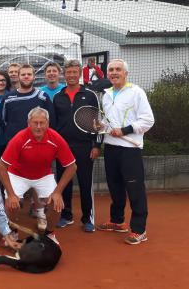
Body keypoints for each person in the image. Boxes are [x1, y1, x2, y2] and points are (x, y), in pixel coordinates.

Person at [0, 107, 77, 239]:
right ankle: (12, 232)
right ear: (28, 123)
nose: (38, 127)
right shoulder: (19, 138)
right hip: (18, 175)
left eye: (42, 123)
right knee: (12, 203)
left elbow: (72, 167)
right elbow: (1, 166)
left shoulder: (55, 138)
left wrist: (57, 192)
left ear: (48, 123)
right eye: (35, 123)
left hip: (43, 175)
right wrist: (11, 194)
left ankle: (49, 233)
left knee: (56, 204)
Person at [97, 59, 154, 245]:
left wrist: (124, 130)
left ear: (125, 73)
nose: (114, 72)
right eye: (111, 70)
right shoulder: (106, 95)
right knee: (115, 187)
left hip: (130, 149)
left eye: (118, 69)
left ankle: (139, 230)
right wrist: (100, 126)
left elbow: (148, 120)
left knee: (134, 189)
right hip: (111, 147)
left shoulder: (136, 92)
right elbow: (107, 122)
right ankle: (117, 221)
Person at [53, 60, 101, 232]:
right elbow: (54, 124)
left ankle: (87, 218)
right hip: (63, 148)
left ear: (79, 73)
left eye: (74, 72)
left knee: (85, 182)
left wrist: (96, 145)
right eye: (68, 72)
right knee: (63, 182)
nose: (71, 75)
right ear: (64, 75)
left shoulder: (90, 95)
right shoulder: (58, 97)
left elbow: (97, 122)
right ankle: (66, 215)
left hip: (85, 146)